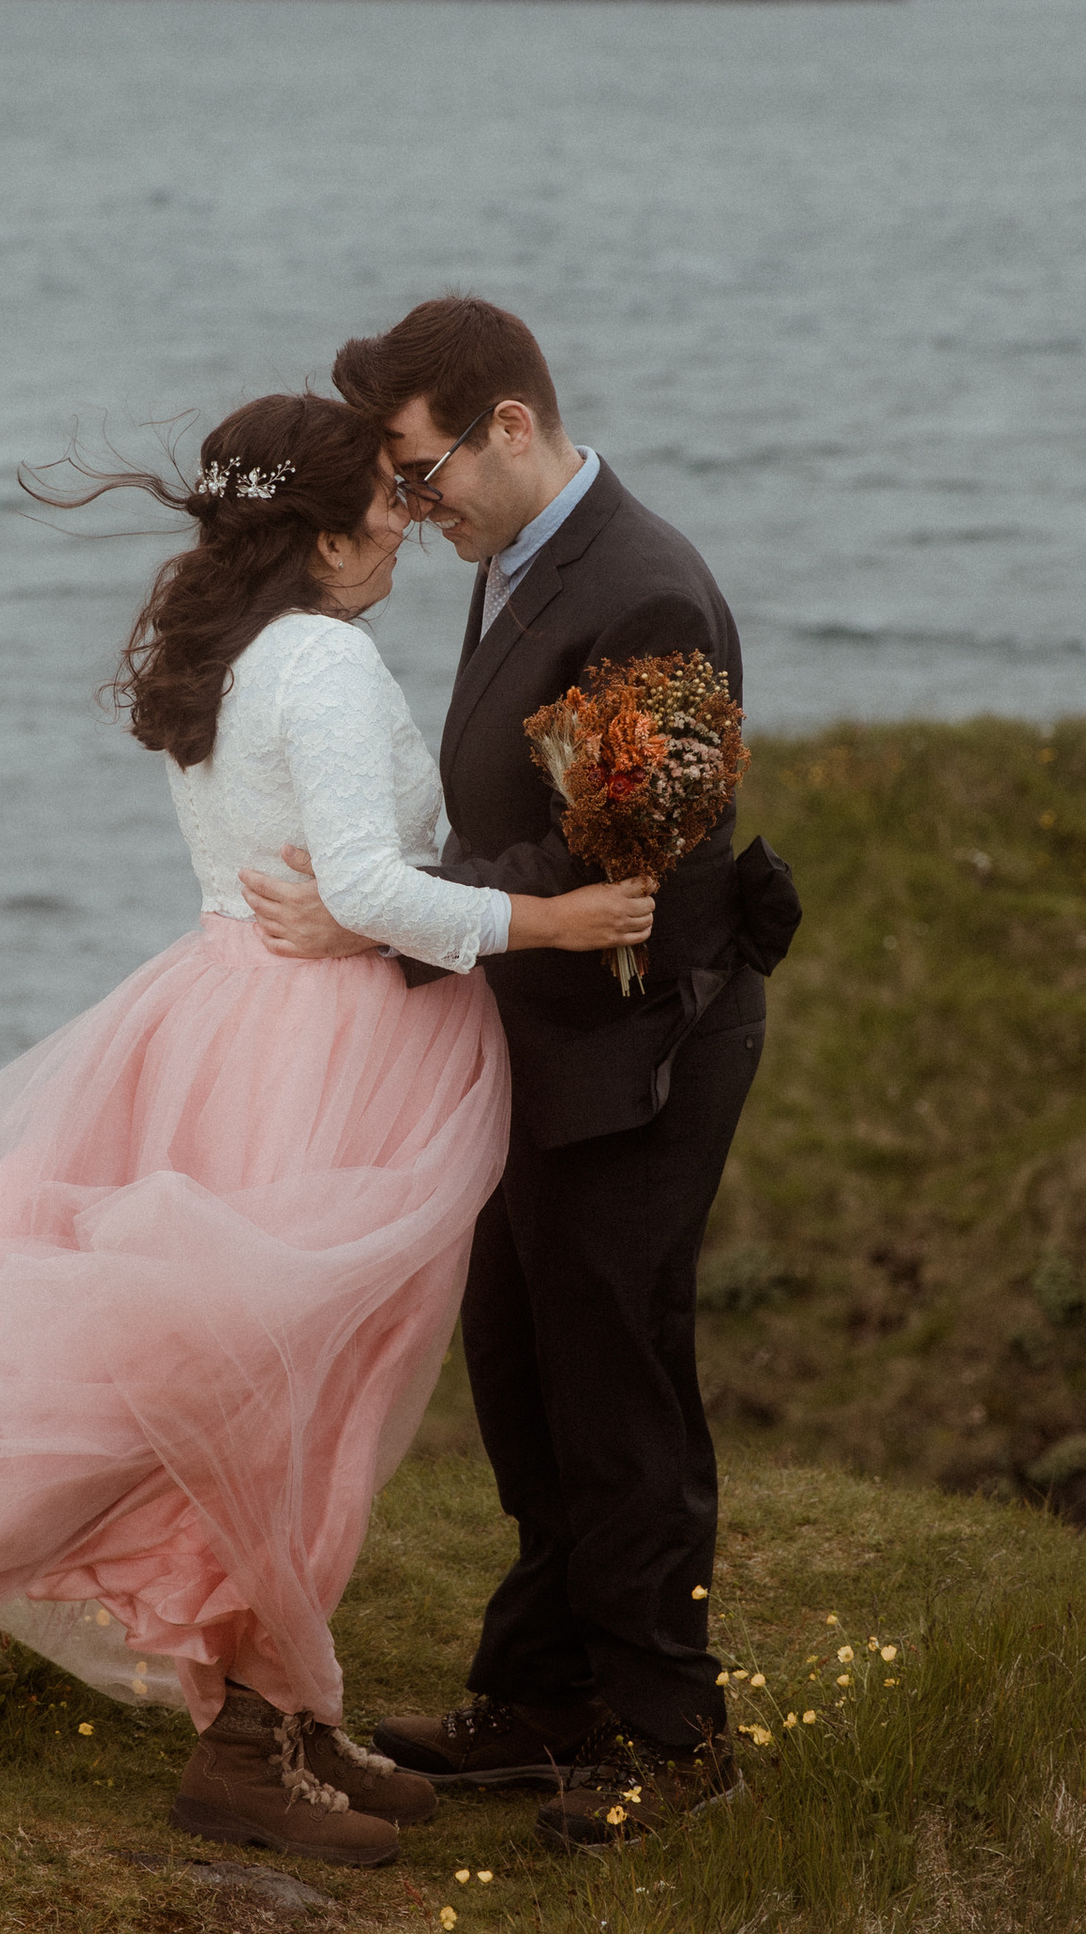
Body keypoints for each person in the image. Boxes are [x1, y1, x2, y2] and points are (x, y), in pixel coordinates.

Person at [0, 389, 652, 1870]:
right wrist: (558, 916)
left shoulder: (231, 651)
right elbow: (371, 896)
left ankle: (293, 1712)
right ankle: (247, 1747)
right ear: (324, 534)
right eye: (386, 505)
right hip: (330, 1048)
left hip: (221, 1019)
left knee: (278, 1372)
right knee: (298, 1390)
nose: (408, 522)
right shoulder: (322, 661)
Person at [241, 297, 797, 1853]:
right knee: (525, 1364)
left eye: (422, 472)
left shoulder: (646, 590)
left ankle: (672, 1737)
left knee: (616, 1378)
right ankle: (548, 1697)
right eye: (397, 488)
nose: (413, 511)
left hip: (642, 1040)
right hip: (544, 1034)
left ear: (508, 424)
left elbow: (626, 855)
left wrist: (381, 921)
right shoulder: (524, 558)